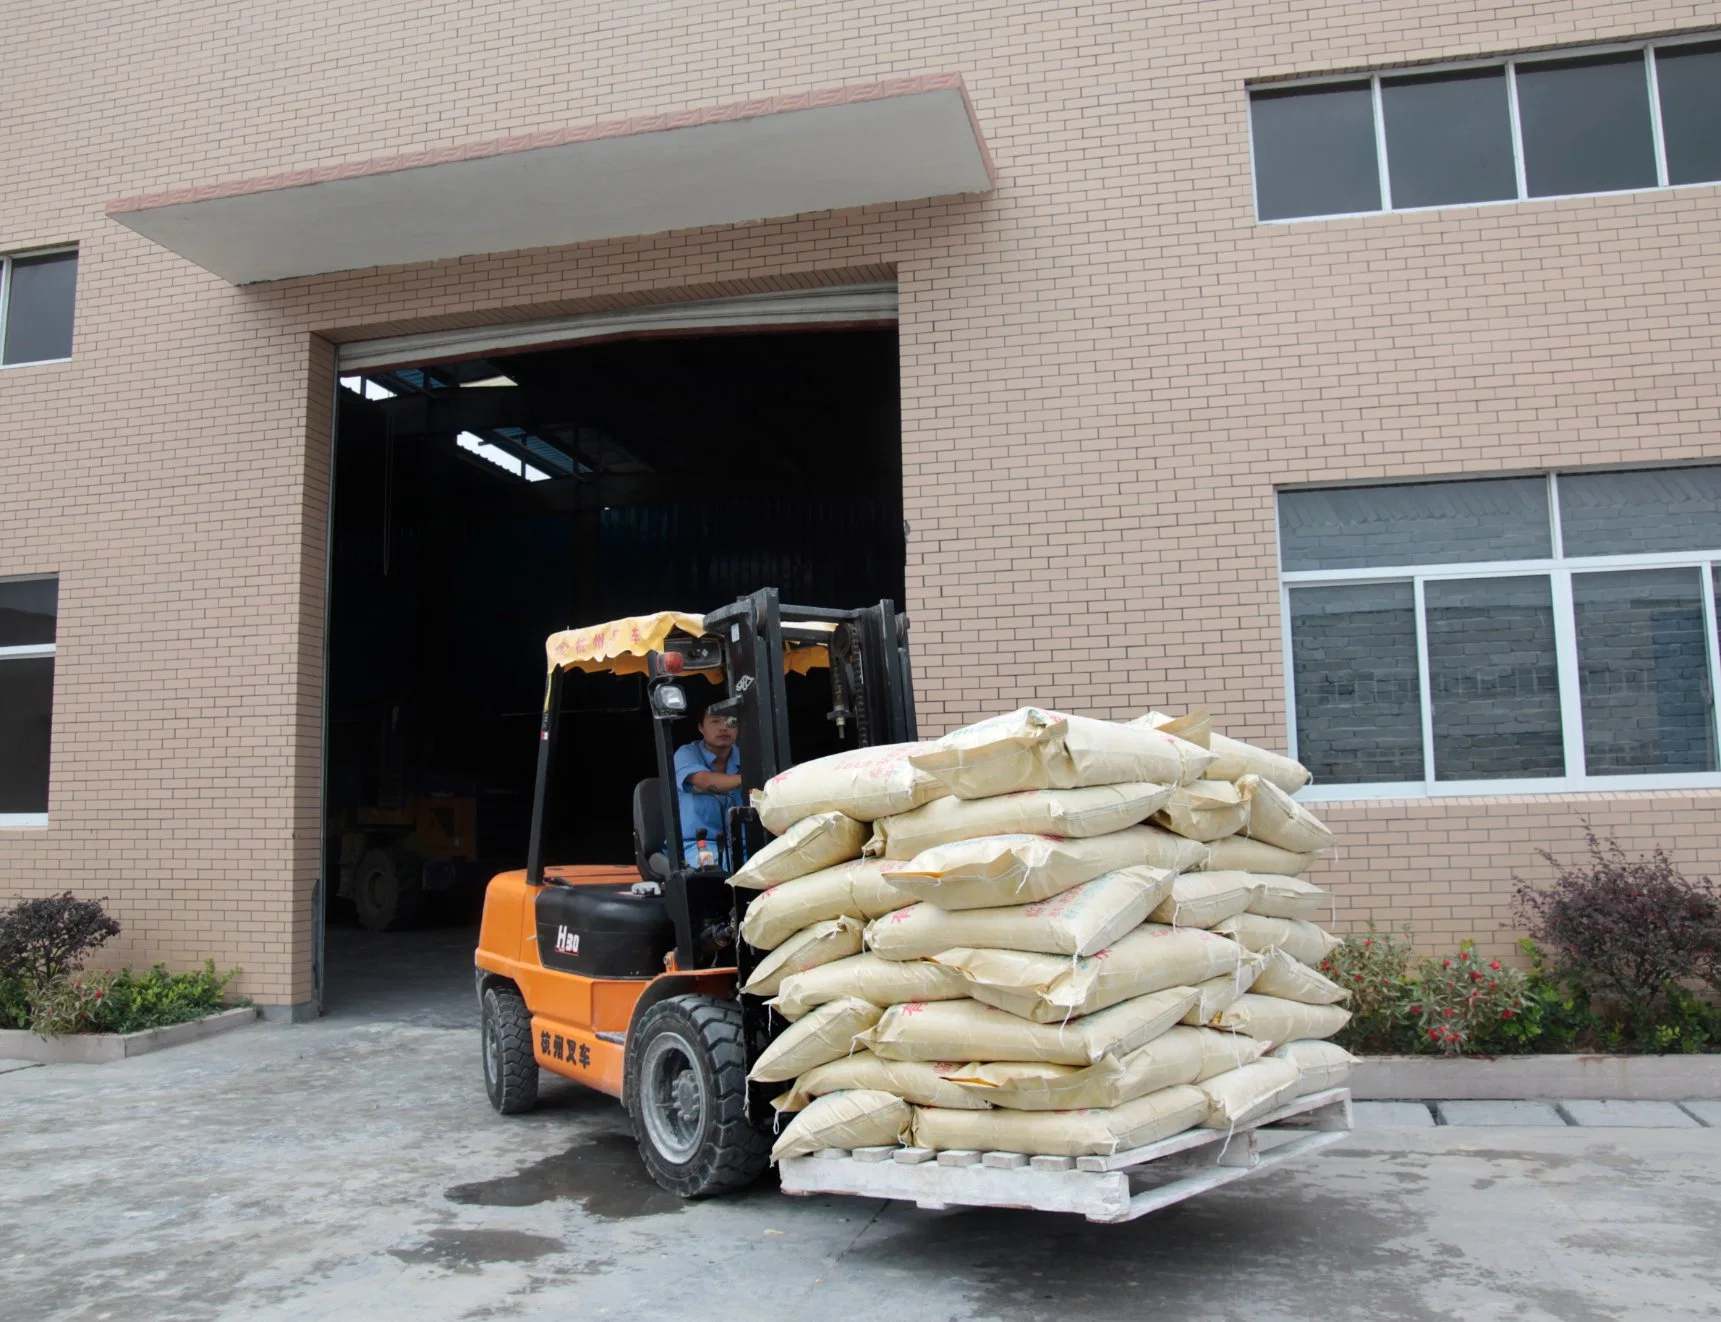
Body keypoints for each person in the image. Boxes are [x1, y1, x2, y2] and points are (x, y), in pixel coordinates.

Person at [672, 704, 743, 868]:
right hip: (696, 845)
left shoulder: (748, 753)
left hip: (743, 845)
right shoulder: (686, 754)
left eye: (730, 721)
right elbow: (704, 780)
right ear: (701, 728)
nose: (724, 727)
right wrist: (751, 777)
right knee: (718, 872)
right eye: (715, 721)